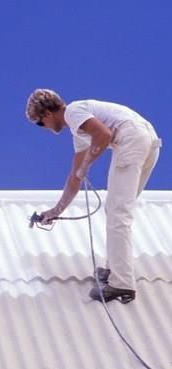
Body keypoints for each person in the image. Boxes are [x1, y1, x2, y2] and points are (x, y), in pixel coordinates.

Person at [25, 89, 162, 303]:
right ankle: (115, 269)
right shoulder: (80, 132)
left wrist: (87, 163)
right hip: (147, 141)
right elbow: (75, 177)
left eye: (40, 123)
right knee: (116, 209)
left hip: (132, 139)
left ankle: (122, 284)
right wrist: (55, 211)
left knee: (118, 212)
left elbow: (104, 135)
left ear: (47, 115)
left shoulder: (73, 111)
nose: (45, 129)